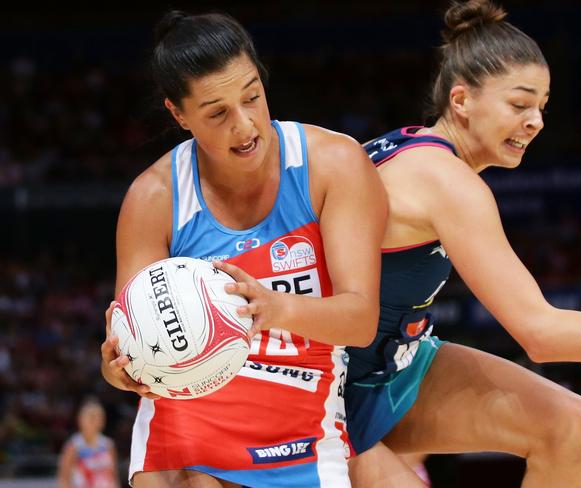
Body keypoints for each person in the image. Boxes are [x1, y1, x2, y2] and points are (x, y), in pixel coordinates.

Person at [344, 1, 581, 487]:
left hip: (393, 366)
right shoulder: (447, 181)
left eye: (542, 108)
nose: (536, 122)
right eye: (519, 104)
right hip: (325, 388)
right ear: (461, 100)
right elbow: (542, 335)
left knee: (567, 422)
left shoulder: (404, 144)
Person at [99, 9, 386, 488]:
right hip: (189, 421)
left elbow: (360, 320)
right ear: (178, 113)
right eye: (217, 113)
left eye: (253, 96)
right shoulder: (153, 199)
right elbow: (126, 340)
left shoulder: (333, 164)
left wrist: (273, 308)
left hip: (302, 422)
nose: (245, 125)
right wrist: (119, 370)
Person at [57, 398, 120, 488]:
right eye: (92, 417)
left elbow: (114, 477)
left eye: (99, 417)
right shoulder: (74, 445)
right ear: (80, 419)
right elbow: (63, 478)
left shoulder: (108, 444)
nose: (95, 421)